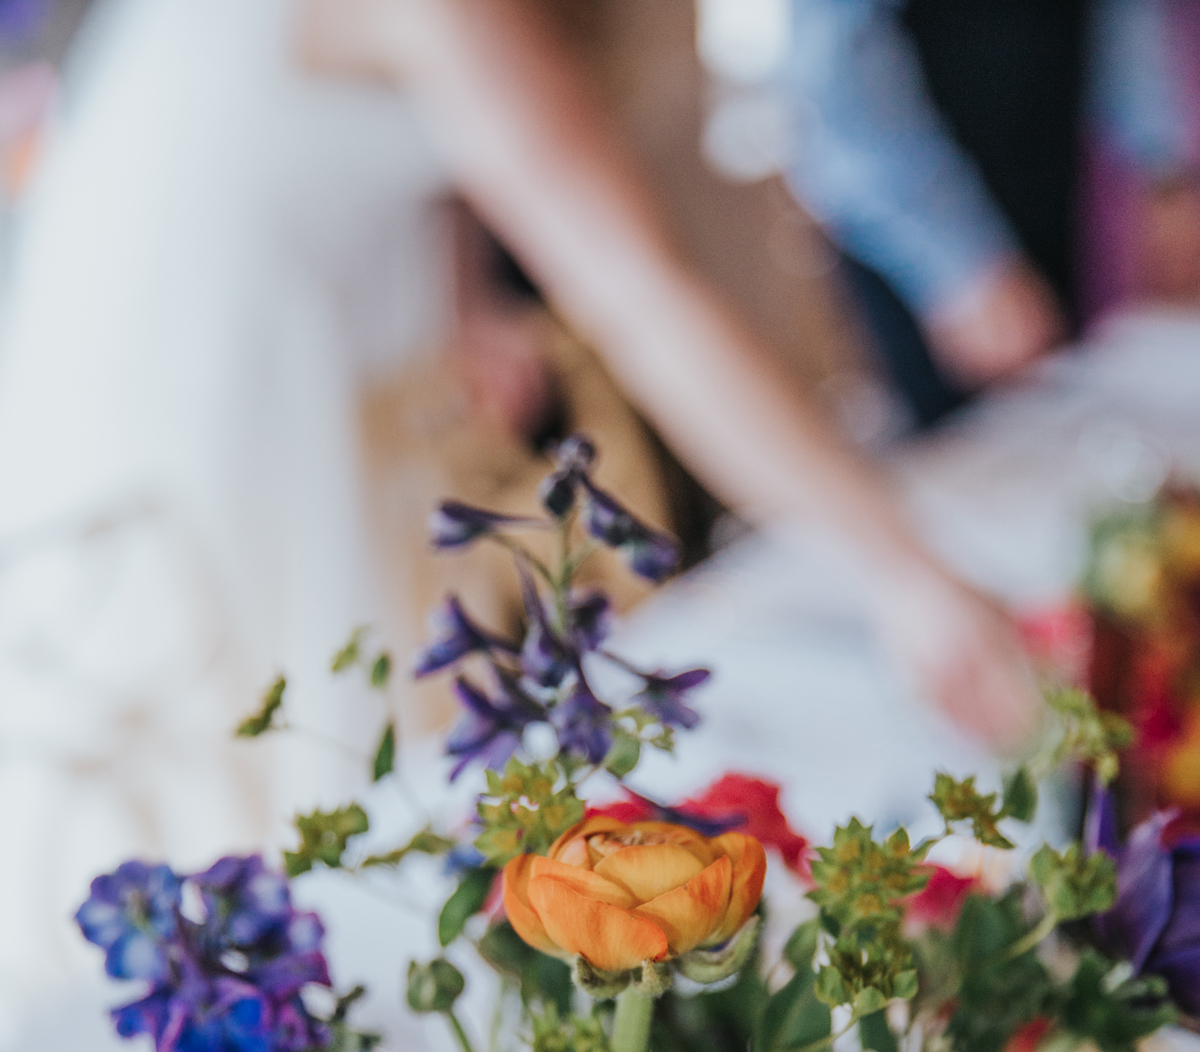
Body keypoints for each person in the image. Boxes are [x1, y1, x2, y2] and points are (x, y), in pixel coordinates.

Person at [297, 0, 1040, 752]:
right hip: (285, 407)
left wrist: (464, 293)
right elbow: (634, 294)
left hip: (362, 376)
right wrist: (904, 573)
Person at [783, 0, 1200, 424]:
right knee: (971, 444)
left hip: (1045, 160)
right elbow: (836, 73)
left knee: (1069, 414)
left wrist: (1162, 170)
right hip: (919, 228)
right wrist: (958, 267)